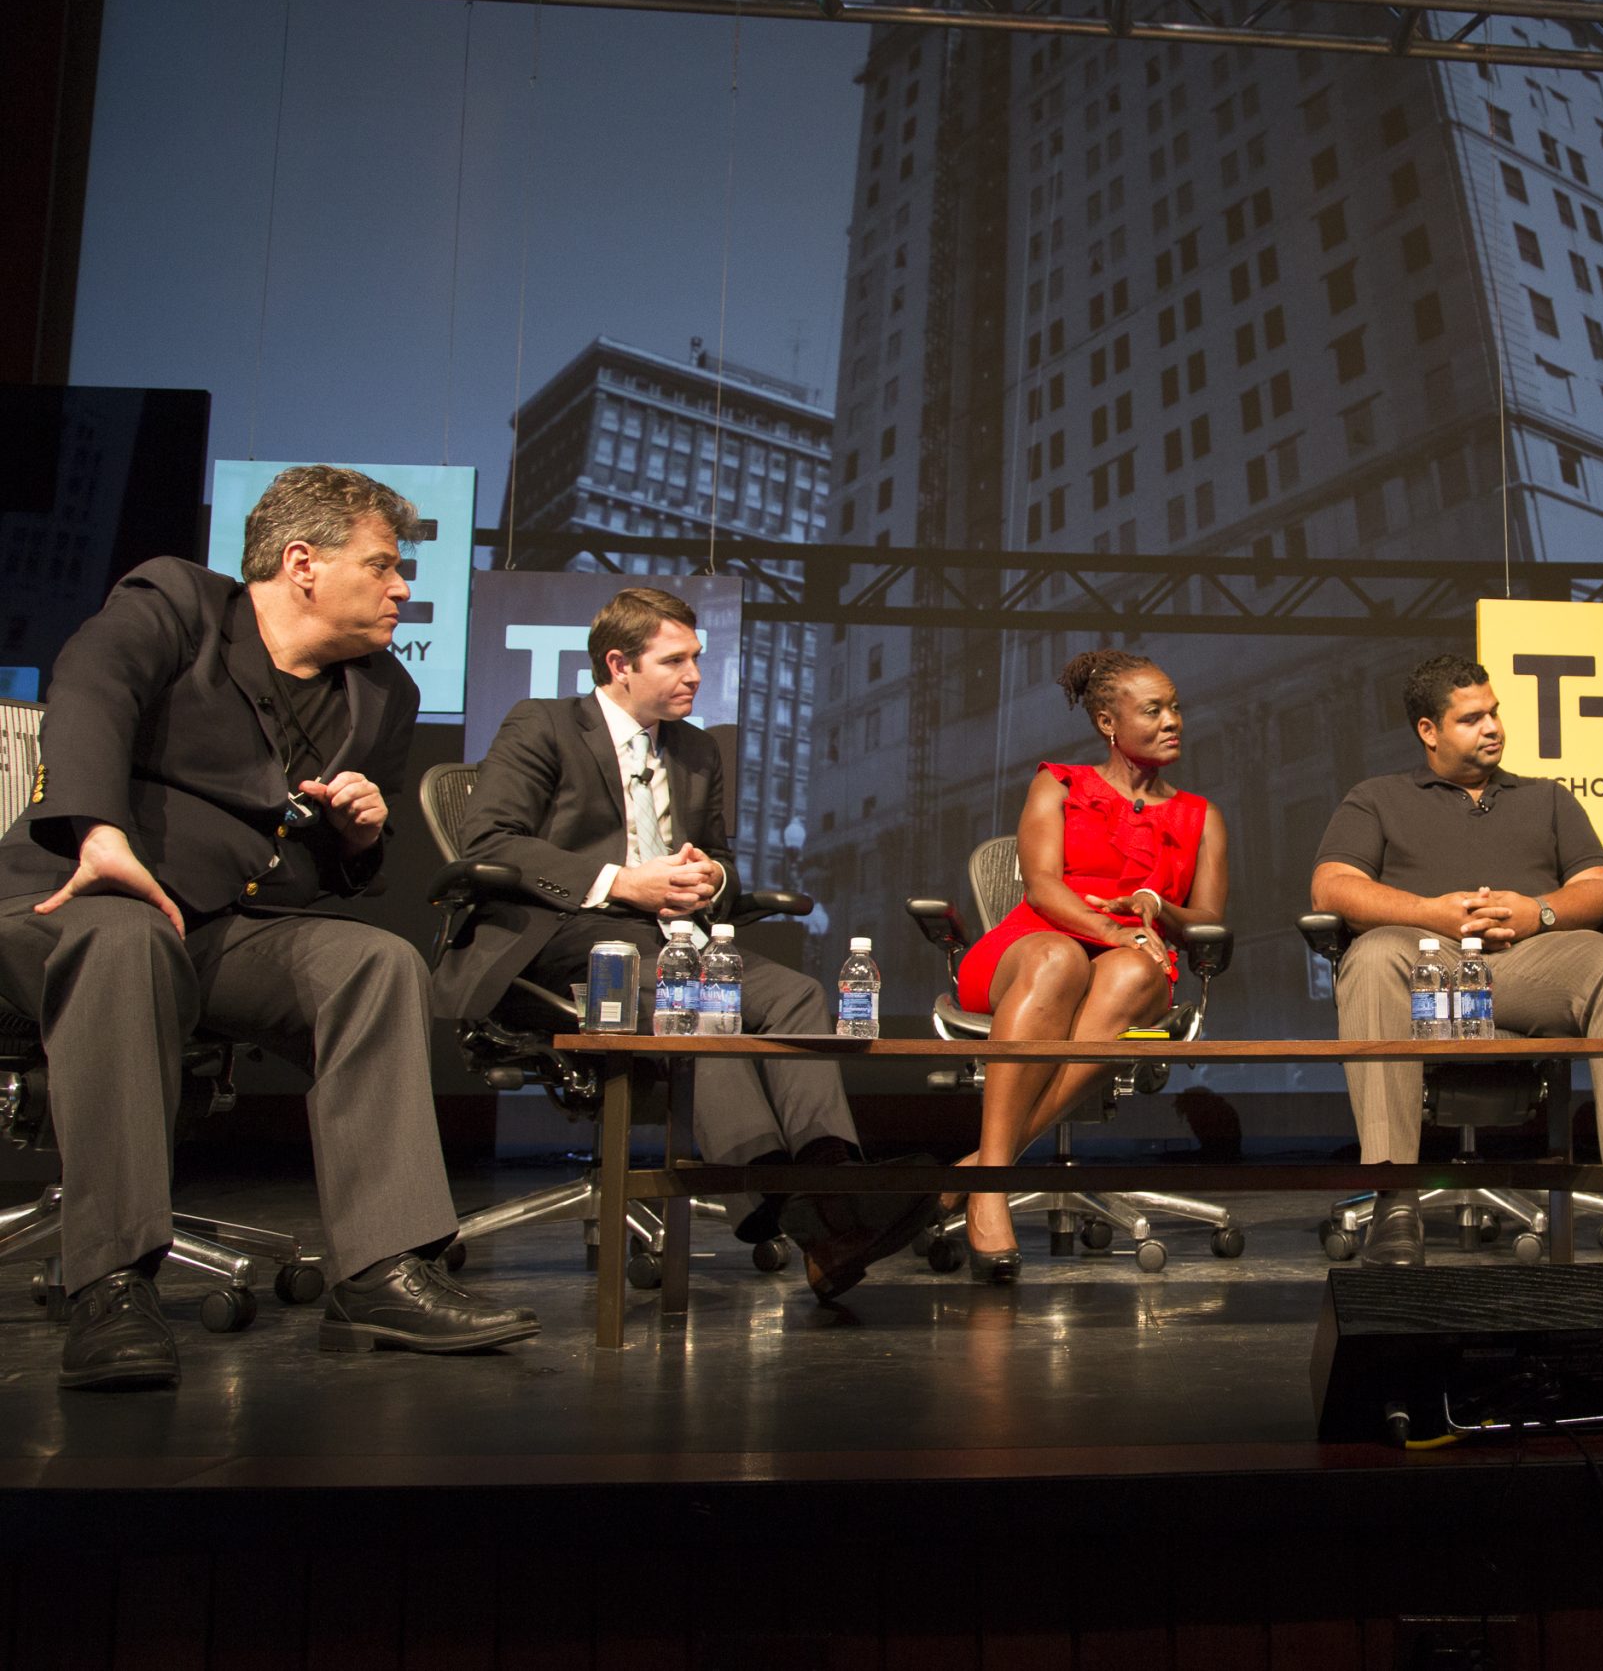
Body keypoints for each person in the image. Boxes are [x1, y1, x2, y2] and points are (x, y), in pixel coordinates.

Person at [0, 465, 539, 1390]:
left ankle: (381, 1267)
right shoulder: (177, 603)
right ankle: (112, 1285)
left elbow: (335, 881)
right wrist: (100, 831)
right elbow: (91, 686)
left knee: (374, 962)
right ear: (302, 562)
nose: (403, 587)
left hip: (219, 931)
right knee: (124, 937)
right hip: (69, 905)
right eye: (383, 565)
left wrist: (359, 834)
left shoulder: (381, 697)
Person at [435, 587, 932, 1302]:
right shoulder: (543, 724)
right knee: (697, 1002)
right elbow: (491, 842)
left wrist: (712, 876)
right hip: (570, 937)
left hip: (678, 940)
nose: (695, 673)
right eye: (676, 659)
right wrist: (624, 881)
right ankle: (796, 1208)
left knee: (796, 993)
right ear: (619, 664)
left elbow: (723, 860)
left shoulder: (698, 749)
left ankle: (832, 1190)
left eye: (697, 657)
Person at [1310, 654, 1603, 1268]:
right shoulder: (1377, 798)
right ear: (1429, 731)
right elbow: (1331, 888)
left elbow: (1600, 886)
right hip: (1427, 963)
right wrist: (1432, 914)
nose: (1493, 728)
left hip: (1530, 963)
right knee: (1372, 957)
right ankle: (1395, 1197)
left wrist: (1541, 912)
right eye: (1472, 718)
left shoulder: (1547, 799)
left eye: (1495, 712)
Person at [948, 650, 1228, 1284]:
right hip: (1032, 946)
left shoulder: (1200, 815)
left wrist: (1157, 907)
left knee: (1130, 973)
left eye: (1175, 706)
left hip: (1137, 961)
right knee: (1058, 959)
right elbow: (1043, 888)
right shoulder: (1058, 783)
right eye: (1153, 710)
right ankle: (991, 1186)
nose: (1172, 720)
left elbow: (1208, 920)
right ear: (1108, 721)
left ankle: (983, 1169)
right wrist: (1110, 928)